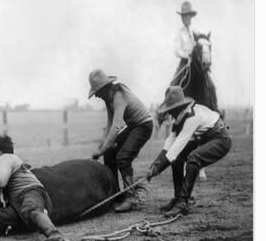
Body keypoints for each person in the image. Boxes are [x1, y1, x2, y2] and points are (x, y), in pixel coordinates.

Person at [146, 86, 231, 217]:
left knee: (193, 158)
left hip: (220, 139)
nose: (170, 114)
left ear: (180, 107)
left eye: (172, 110)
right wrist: (155, 164)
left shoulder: (192, 117)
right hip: (204, 139)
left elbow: (176, 147)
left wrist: (158, 169)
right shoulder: (180, 117)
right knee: (178, 159)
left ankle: (182, 202)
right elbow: (169, 143)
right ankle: (178, 197)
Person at [88, 69, 153, 212]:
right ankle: (116, 194)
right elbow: (110, 123)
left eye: (97, 91)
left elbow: (117, 125)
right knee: (110, 154)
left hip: (143, 125)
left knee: (123, 157)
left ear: (105, 88)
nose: (97, 96)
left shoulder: (118, 96)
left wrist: (102, 148)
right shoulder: (108, 98)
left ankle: (131, 197)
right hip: (133, 126)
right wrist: (103, 146)